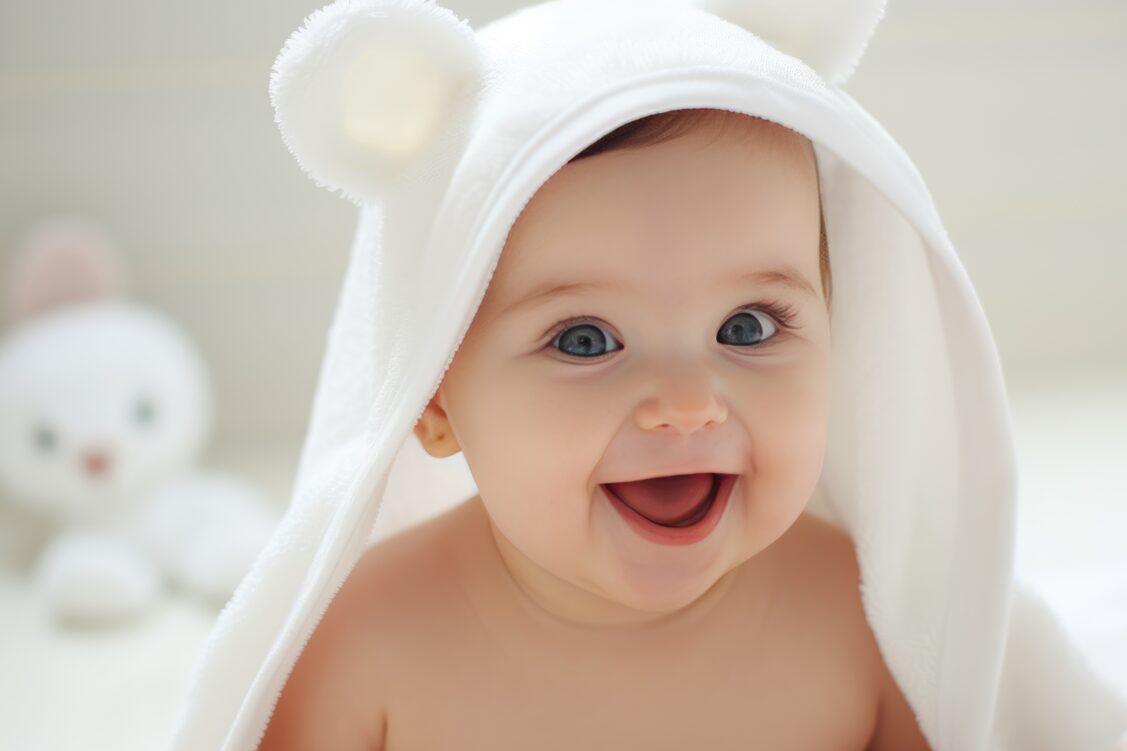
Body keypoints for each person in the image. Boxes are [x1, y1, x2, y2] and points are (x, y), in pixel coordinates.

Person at [172, 2, 1127, 749]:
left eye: (747, 326)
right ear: (431, 394)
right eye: (585, 339)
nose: (686, 403)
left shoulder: (867, 618)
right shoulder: (368, 645)